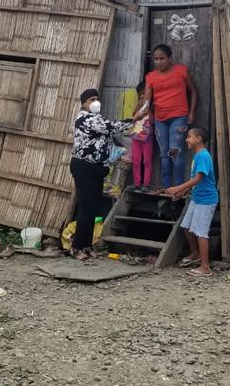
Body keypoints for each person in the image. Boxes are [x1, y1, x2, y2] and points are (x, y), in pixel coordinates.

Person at [70, 88, 142, 261]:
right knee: (86, 207)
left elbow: (107, 135)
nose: (95, 102)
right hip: (84, 167)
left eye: (97, 98)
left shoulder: (97, 118)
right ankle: (76, 247)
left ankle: (87, 246)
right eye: (91, 100)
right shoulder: (86, 118)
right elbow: (112, 127)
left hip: (96, 168)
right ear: (84, 103)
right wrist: (134, 119)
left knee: (92, 208)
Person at [141, 44, 198, 191]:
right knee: (164, 154)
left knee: (175, 152)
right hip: (160, 119)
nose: (158, 62)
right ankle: (166, 187)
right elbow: (147, 102)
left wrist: (192, 112)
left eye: (162, 58)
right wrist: (150, 115)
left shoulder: (181, 71)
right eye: (156, 59)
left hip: (179, 117)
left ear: (170, 58)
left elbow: (194, 91)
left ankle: (179, 188)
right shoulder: (150, 77)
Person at [165, 126, 218, 277]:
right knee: (186, 226)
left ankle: (205, 267)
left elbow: (199, 178)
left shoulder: (203, 155)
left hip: (206, 200)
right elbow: (197, 180)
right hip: (197, 197)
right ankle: (195, 253)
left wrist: (178, 188)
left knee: (201, 232)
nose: (187, 140)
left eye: (189, 137)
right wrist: (183, 191)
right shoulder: (198, 155)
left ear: (198, 139)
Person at [129, 81, 154, 192]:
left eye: (144, 93)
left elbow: (153, 122)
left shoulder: (152, 107)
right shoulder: (139, 106)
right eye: (141, 94)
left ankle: (146, 184)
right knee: (136, 161)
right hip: (136, 138)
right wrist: (139, 106)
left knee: (147, 161)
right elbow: (133, 117)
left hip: (147, 139)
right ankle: (137, 183)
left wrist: (149, 110)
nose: (142, 96)